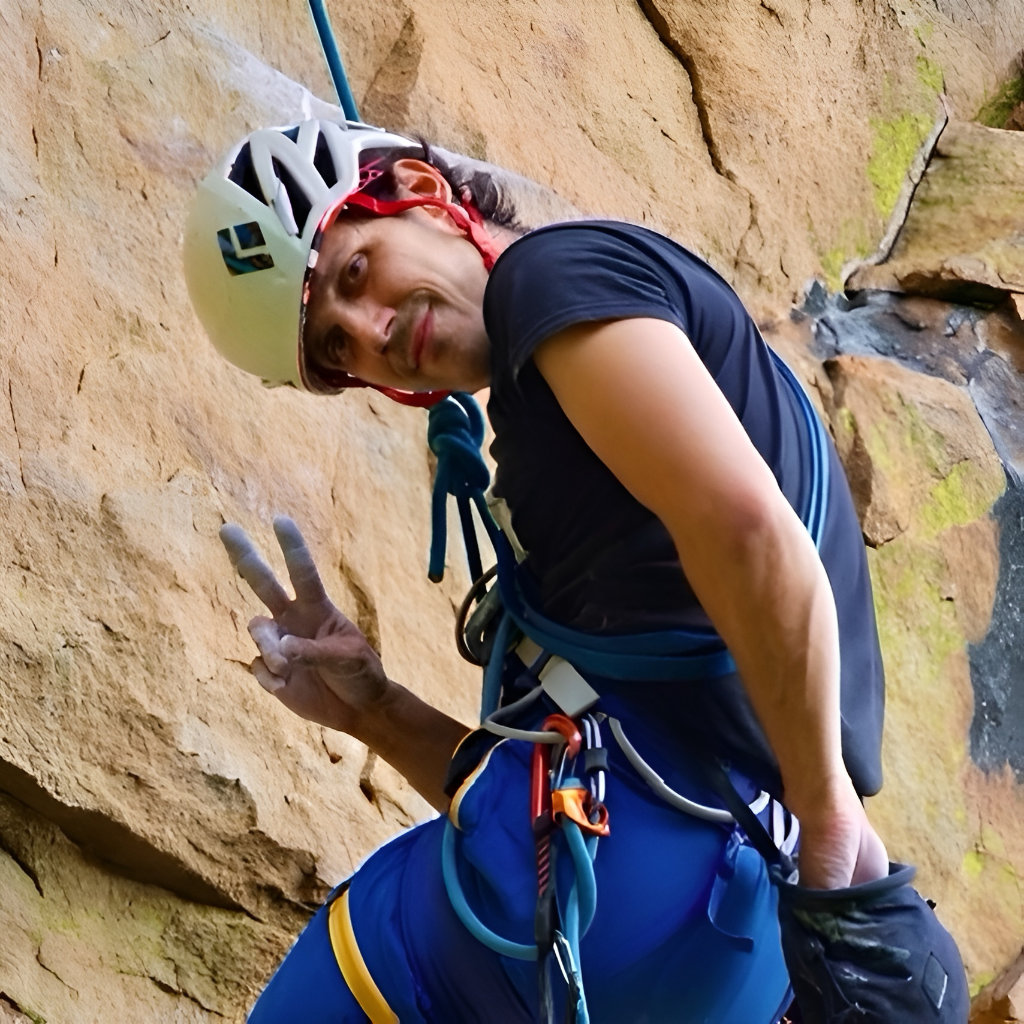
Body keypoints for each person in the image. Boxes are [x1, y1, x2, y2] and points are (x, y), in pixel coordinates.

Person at [183, 118, 962, 1023]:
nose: (374, 333)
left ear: (420, 191)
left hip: (655, 886)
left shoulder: (555, 280)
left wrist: (834, 826)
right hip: (728, 945)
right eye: (339, 348)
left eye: (357, 274)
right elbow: (572, 783)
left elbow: (748, 531)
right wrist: (374, 709)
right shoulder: (580, 384)